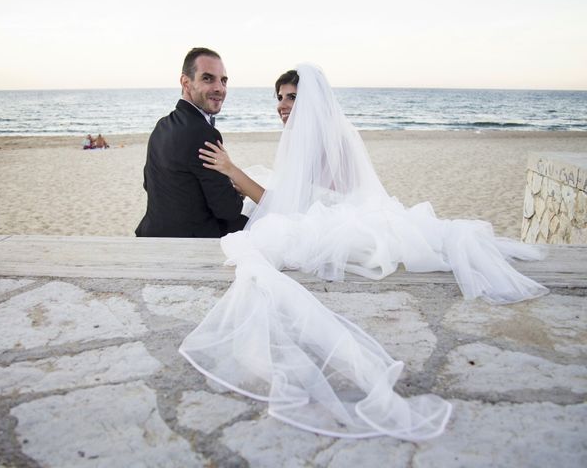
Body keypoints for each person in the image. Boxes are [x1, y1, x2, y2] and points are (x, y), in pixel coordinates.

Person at [179, 64, 548, 440]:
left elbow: (293, 207)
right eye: (280, 97)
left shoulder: (323, 140)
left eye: (293, 97)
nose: (283, 105)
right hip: (330, 207)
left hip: (336, 217)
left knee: (266, 236)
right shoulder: (315, 134)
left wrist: (232, 170)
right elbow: (292, 195)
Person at [135, 47, 247, 237]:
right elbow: (228, 209)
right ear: (186, 82)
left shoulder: (161, 125)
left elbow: (149, 184)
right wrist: (238, 193)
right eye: (208, 78)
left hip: (152, 232)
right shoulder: (203, 133)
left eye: (223, 80)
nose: (219, 88)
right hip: (190, 241)